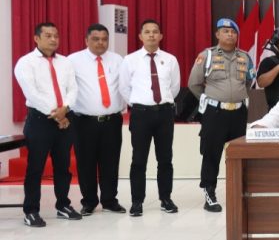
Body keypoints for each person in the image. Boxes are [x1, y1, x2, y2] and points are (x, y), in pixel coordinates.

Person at [14, 22, 81, 227]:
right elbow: (32, 94)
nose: (53, 39)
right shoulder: (25, 63)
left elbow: (73, 89)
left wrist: (65, 109)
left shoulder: (65, 62)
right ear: (36, 38)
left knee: (63, 166)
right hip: (40, 121)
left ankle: (63, 205)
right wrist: (58, 115)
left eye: (56, 36)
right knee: (35, 167)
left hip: (65, 118)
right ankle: (31, 210)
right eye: (48, 35)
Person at [188, 18, 254, 213]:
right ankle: (209, 194)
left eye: (233, 32)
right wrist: (210, 99)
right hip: (215, 112)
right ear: (217, 34)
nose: (230, 35)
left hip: (238, 113)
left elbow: (248, 82)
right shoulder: (206, 55)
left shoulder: (245, 56)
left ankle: (240, 191)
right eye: (225, 31)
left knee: (239, 154)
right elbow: (194, 84)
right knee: (211, 153)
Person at [119, 19, 181, 217]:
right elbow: (124, 88)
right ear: (140, 36)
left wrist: (160, 103)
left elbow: (174, 87)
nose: (151, 35)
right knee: (139, 160)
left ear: (161, 36)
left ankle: (166, 198)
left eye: (155, 31)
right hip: (141, 115)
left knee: (165, 159)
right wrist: (140, 103)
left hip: (164, 113)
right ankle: (137, 201)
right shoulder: (130, 60)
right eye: (147, 32)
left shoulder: (170, 60)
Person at [68, 23, 127, 216]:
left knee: (111, 161)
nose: (100, 43)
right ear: (86, 40)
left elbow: (125, 85)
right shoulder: (73, 60)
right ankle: (89, 201)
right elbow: (66, 87)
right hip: (84, 121)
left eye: (104, 39)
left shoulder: (117, 60)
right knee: (86, 162)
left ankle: (109, 200)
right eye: (95, 39)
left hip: (112, 120)